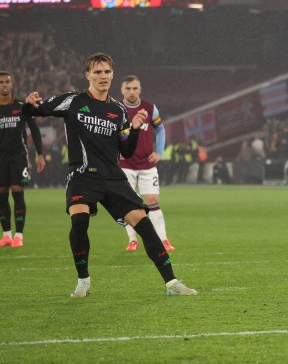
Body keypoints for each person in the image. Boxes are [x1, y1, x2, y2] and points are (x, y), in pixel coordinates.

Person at [23, 52, 196, 298]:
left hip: (113, 177)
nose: (103, 76)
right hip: (82, 175)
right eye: (97, 72)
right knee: (79, 221)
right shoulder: (72, 100)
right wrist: (30, 103)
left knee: (145, 225)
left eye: (106, 72)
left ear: (112, 75)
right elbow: (34, 111)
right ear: (88, 75)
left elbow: (126, 149)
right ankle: (83, 282)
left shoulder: (118, 110)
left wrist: (134, 130)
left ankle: (172, 283)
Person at [117, 75, 176, 252]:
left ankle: (164, 240)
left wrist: (159, 151)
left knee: (152, 200)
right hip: (125, 164)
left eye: (135, 88)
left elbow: (160, 128)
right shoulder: (117, 109)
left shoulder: (150, 108)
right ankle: (132, 240)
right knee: (127, 204)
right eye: (128, 88)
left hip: (146, 164)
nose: (132, 92)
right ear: (122, 90)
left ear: (140, 89)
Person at [0, 71, 46, 247]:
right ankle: (6, 235)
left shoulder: (21, 105)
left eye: (6, 82)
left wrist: (39, 154)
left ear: (11, 84)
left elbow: (34, 129)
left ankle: (18, 235)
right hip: (0, 159)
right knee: (2, 197)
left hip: (18, 156)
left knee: (18, 192)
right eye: (1, 82)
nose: (4, 85)